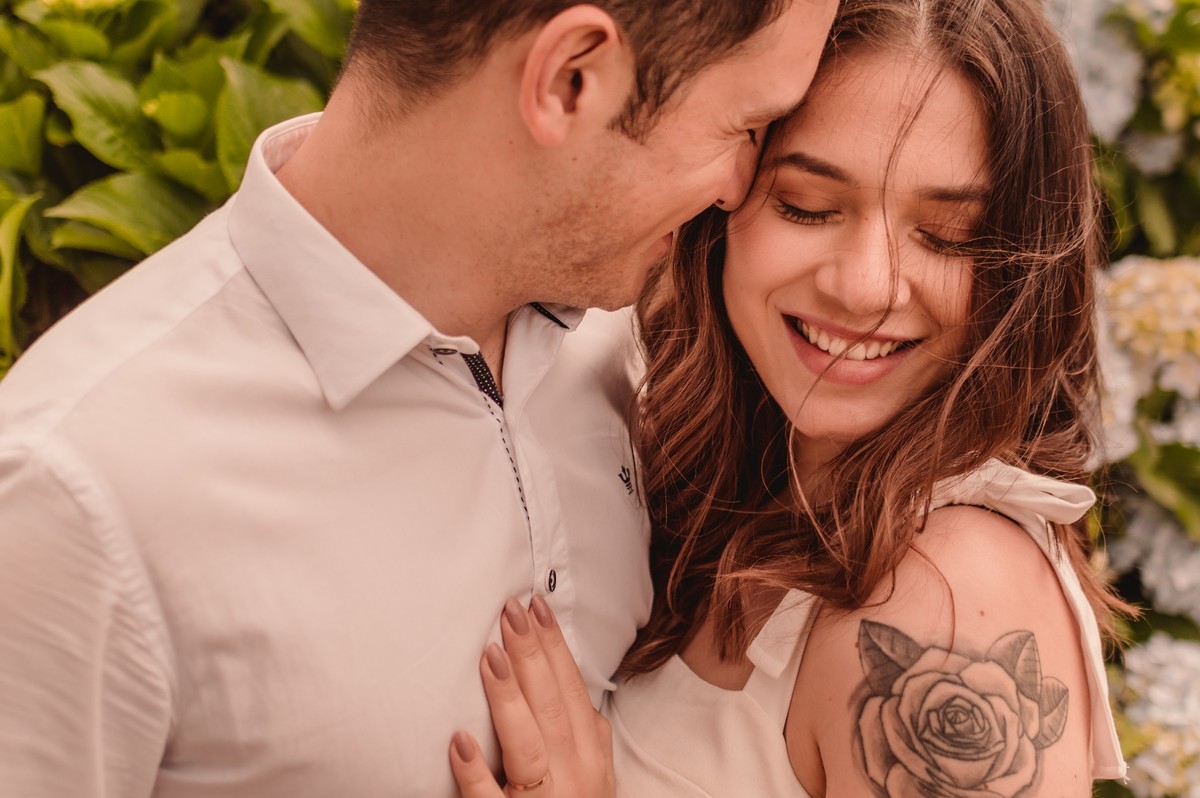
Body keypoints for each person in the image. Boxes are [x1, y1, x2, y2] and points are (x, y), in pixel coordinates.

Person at [0, 1, 839, 795]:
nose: (741, 186)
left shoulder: (626, 345)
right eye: (747, 127)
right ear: (570, 79)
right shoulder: (76, 495)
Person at [452, 0, 1133, 793]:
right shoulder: (707, 488)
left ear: (1025, 270)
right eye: (808, 206)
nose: (865, 285)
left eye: (950, 236)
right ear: (722, 204)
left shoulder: (949, 601)